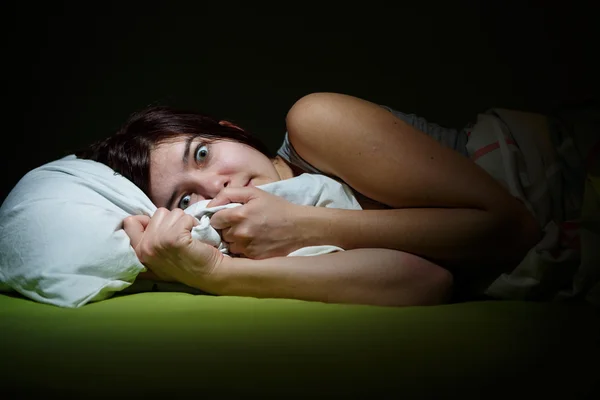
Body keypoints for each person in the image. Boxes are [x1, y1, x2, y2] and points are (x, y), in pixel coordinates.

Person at [76, 92, 542, 307]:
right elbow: (427, 283)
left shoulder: (314, 123)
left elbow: (513, 229)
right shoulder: (244, 238)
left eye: (202, 153)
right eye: (183, 199)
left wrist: (305, 225)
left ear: (232, 132)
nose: (214, 187)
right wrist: (216, 273)